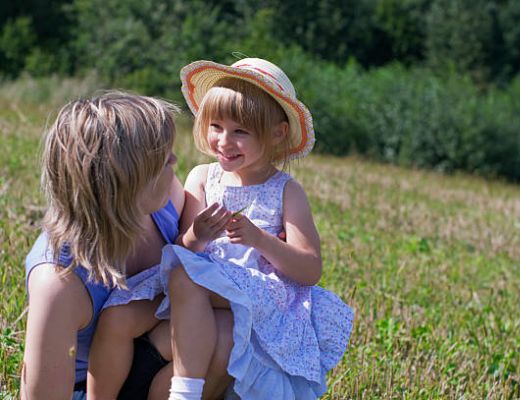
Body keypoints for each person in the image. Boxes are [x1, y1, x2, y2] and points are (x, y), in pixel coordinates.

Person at [161, 58, 354, 399]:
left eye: (240, 131)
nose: (224, 140)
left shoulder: (285, 190)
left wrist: (259, 239)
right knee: (185, 280)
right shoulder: (203, 177)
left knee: (185, 279)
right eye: (216, 126)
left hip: (264, 295)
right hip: (213, 292)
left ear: (277, 133)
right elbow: (183, 250)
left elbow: (310, 269)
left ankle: (184, 392)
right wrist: (197, 235)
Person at [21, 92, 232, 400]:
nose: (174, 161)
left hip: (149, 348)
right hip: (95, 389)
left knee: (228, 333)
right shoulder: (59, 280)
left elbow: (195, 257)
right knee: (224, 336)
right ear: (124, 182)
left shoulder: (163, 202)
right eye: (161, 159)